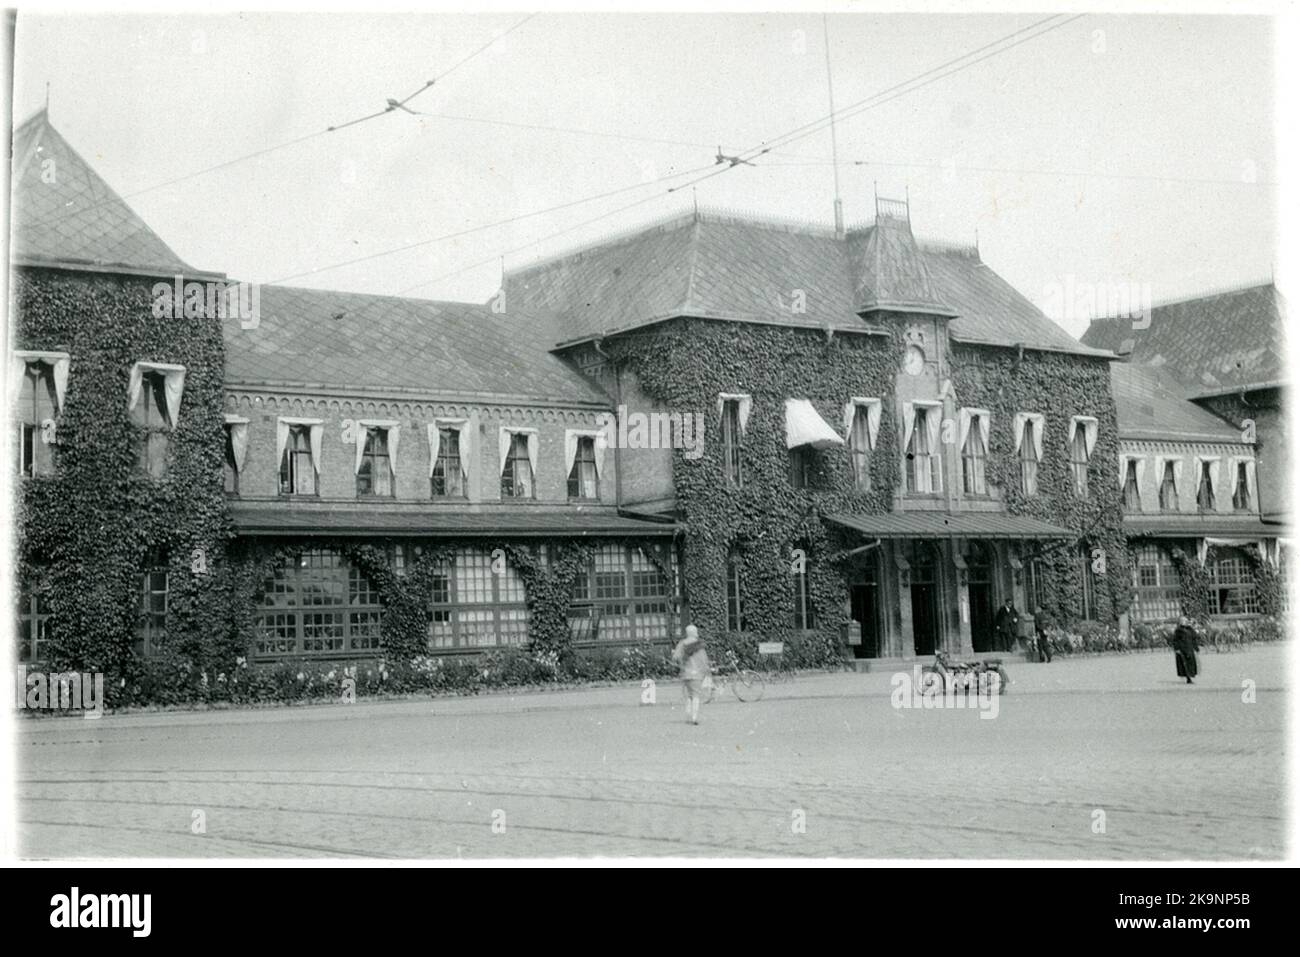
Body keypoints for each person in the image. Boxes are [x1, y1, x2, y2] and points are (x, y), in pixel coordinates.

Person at [671, 624, 710, 725]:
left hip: (685, 673)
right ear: (695, 633)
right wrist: (706, 671)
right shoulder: (699, 646)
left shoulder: (682, 644)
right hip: (697, 674)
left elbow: (675, 657)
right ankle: (694, 717)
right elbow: (704, 661)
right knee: (696, 695)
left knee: (689, 695)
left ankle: (688, 716)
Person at [1172, 616, 1200, 685]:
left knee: (1191, 664)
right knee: (1185, 664)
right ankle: (1188, 679)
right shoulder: (1178, 630)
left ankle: (1190, 676)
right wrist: (1177, 649)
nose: (1185, 622)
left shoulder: (1189, 629)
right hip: (1182, 649)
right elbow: (1175, 640)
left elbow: (1194, 637)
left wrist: (1196, 647)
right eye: (1183, 621)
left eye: (1185, 621)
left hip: (1189, 648)